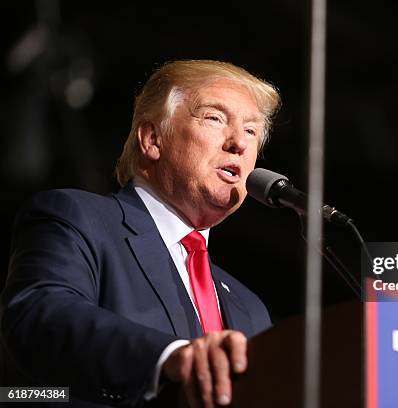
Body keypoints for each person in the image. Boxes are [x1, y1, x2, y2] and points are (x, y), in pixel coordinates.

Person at [0, 60, 281, 407]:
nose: (239, 142)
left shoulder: (250, 307)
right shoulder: (79, 218)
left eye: (251, 131)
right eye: (215, 118)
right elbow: (41, 316)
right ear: (152, 139)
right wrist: (170, 357)